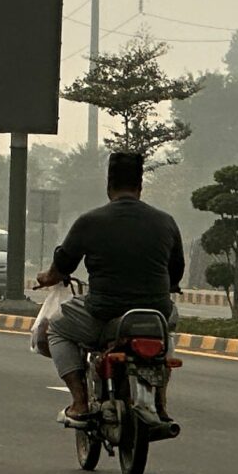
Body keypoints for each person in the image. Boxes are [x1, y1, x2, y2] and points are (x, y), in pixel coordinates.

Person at [34, 149, 185, 429]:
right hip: (157, 314)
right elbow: (176, 272)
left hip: (102, 313)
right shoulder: (166, 222)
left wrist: (47, 277)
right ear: (140, 187)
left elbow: (62, 266)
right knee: (167, 338)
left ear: (108, 187)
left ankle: (79, 402)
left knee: (55, 329)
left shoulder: (89, 221)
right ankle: (161, 404)